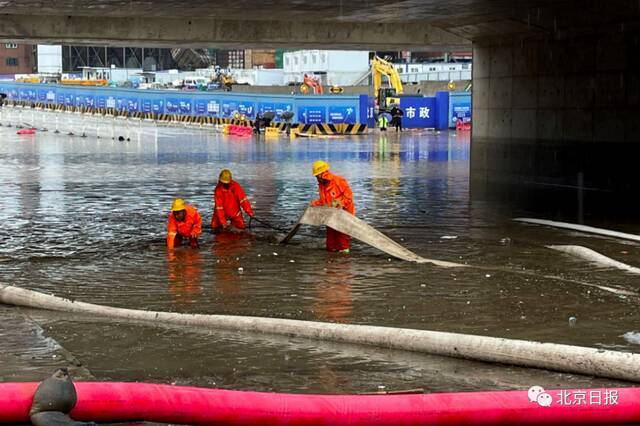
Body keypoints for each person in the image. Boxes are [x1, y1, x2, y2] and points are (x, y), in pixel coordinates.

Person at [310, 160, 354, 253]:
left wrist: (340, 204)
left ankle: (344, 261)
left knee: (342, 240)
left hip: (344, 215)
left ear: (323, 174)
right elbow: (323, 201)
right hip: (331, 216)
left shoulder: (339, 181)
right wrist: (314, 203)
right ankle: (331, 258)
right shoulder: (322, 185)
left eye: (317, 175)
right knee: (330, 243)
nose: (317, 178)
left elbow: (349, 198)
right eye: (316, 176)